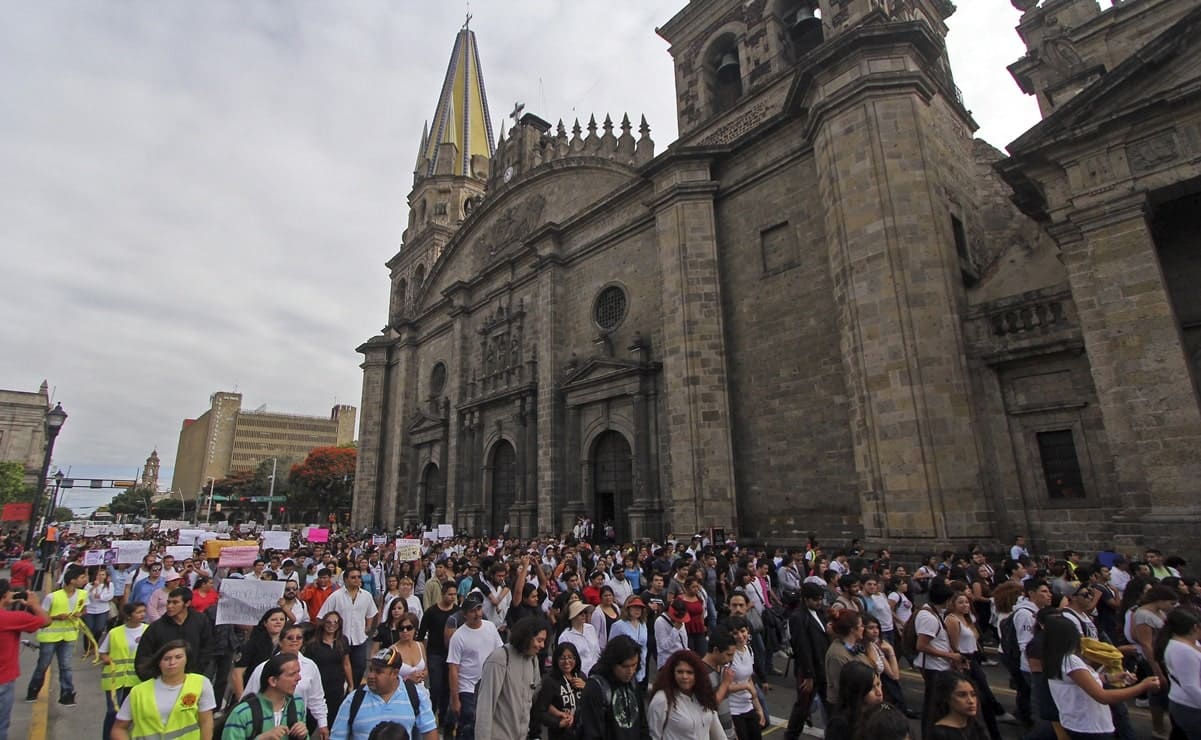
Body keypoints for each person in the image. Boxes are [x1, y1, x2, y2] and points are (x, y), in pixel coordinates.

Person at [1044, 614, 1160, 739]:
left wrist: (1112, 677)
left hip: (1076, 723)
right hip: (1090, 727)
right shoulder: (1070, 661)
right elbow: (1103, 697)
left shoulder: (1053, 658)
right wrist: (1143, 686)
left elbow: (1082, 682)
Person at [111, 639, 217, 740]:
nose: (172, 662)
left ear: (187, 659)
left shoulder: (200, 683)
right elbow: (119, 728)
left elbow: (206, 722)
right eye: (166, 658)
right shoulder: (138, 692)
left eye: (178, 657)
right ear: (158, 662)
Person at [241, 624, 330, 740]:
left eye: (299, 637)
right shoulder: (265, 667)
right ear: (280, 641)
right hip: (263, 723)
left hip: (295, 724)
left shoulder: (311, 666)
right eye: (290, 638)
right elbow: (249, 697)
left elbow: (316, 698)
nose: (295, 641)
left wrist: (323, 723)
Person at [328, 647, 439, 740]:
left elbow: (429, 732)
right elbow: (337, 737)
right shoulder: (353, 700)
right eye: (371, 670)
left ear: (395, 673)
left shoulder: (415, 695)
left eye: (378, 672)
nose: (371, 676)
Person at [475, 616, 549, 740]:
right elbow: (485, 707)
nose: (542, 645)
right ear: (527, 637)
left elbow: (535, 696)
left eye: (544, 641)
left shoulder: (533, 660)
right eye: (539, 640)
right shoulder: (500, 658)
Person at [25, 563, 88, 705]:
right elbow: (41, 615)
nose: (85, 580)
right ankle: (33, 690)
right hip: (50, 636)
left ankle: (67, 694)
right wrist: (56, 617)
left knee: (66, 666)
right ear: (72, 580)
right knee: (43, 665)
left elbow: (84, 609)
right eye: (82, 577)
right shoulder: (52, 597)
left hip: (70, 635)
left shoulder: (83, 594)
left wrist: (81, 613)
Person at [447, 591, 503, 740]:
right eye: (472, 611)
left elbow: (500, 653)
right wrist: (455, 699)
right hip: (467, 688)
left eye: (478, 609)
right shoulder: (458, 636)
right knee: (469, 723)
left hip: (489, 685)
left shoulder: (490, 627)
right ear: (465, 614)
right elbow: (453, 668)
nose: (477, 614)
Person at [0, 577, 49, 738]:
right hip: (3, 679)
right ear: (6, 595)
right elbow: (45, 620)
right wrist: (34, 604)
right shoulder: (13, 618)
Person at [575, 635, 647, 740]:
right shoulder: (596, 687)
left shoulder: (633, 683)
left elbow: (642, 724)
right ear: (612, 663)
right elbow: (592, 732)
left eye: (634, 665)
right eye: (625, 666)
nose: (630, 671)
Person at [223, 652, 309, 740]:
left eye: (298, 672)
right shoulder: (242, 713)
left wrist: (303, 736)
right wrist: (262, 738)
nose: (299, 678)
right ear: (273, 681)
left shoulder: (297, 704)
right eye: (292, 674)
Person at [135, 586, 214, 681]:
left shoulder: (201, 621)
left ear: (187, 603)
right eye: (168, 602)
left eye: (175, 602)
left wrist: (196, 674)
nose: (169, 606)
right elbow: (143, 657)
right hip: (163, 682)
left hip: (193, 679)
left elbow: (207, 649)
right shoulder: (156, 628)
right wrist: (155, 680)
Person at [318, 566, 378, 687]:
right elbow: (322, 616)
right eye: (353, 577)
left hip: (359, 639)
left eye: (358, 577)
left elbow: (371, 612)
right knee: (341, 668)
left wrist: (368, 626)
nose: (356, 580)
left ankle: (353, 691)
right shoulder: (335, 596)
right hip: (340, 640)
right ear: (345, 579)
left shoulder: (366, 596)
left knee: (360, 667)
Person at [785, 582, 830, 740]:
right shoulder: (798, 617)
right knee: (802, 708)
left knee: (829, 703)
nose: (819, 602)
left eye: (820, 599)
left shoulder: (819, 613)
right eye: (816, 599)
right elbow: (802, 647)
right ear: (805, 599)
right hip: (809, 670)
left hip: (822, 666)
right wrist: (809, 675)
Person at [648, 650, 725, 740]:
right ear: (672, 673)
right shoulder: (662, 699)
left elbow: (718, 732)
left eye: (689, 672)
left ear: (697, 674)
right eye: (680, 672)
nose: (684, 676)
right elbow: (653, 736)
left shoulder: (704, 695)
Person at [101, 601, 150, 740]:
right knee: (113, 712)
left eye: (143, 612)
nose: (142, 615)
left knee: (135, 712)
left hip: (137, 678)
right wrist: (106, 659)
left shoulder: (148, 630)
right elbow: (103, 652)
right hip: (115, 678)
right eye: (138, 612)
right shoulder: (114, 633)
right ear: (129, 615)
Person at [1156, 608, 1201, 740]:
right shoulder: (1182, 650)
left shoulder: (1192, 643)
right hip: (1191, 707)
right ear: (1194, 627)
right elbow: (1190, 686)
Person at [418, 580, 458, 723]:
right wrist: (423, 657)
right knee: (435, 687)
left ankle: (442, 717)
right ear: (442, 594)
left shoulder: (458, 612)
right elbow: (421, 636)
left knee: (447, 687)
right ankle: (431, 712)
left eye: (454, 594)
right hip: (434, 653)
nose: (452, 597)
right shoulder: (431, 612)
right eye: (449, 594)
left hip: (451, 655)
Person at [304, 612, 354, 721]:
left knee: (333, 716)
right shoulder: (313, 644)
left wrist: (351, 684)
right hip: (317, 685)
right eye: (328, 622)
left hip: (336, 685)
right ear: (323, 623)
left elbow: (346, 663)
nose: (332, 625)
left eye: (335, 622)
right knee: (311, 718)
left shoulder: (343, 641)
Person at [534, 642, 586, 740]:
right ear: (556, 660)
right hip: (560, 735)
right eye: (562, 658)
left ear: (576, 659)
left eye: (570, 657)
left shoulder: (581, 676)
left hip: (581, 732)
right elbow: (541, 711)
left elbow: (592, 703)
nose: (567, 661)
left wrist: (586, 688)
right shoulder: (550, 681)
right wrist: (558, 723)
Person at [232, 607, 289, 697]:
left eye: (282, 619)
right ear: (265, 623)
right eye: (274, 619)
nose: (278, 622)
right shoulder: (252, 644)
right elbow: (237, 674)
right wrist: (241, 699)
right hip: (252, 694)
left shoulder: (287, 646)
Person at [823, 661, 884, 740]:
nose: (879, 692)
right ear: (857, 691)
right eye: (871, 688)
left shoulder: (880, 712)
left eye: (878, 684)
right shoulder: (840, 724)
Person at [824, 610, 874, 706]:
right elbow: (841, 688)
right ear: (852, 630)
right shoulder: (837, 655)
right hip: (846, 708)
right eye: (861, 626)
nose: (863, 629)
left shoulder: (855, 647)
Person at [928, 672, 989, 740]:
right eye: (962, 695)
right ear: (946, 698)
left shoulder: (974, 726)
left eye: (973, 694)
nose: (971, 701)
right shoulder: (939, 734)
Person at [608, 597, 649, 688]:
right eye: (634, 607)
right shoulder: (618, 625)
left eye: (640, 608)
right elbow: (611, 647)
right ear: (628, 608)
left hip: (640, 666)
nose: (637, 610)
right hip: (624, 666)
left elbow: (644, 646)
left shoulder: (643, 624)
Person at [559, 600, 602, 676]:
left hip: (597, 672)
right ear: (572, 617)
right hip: (580, 675)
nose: (583, 615)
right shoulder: (565, 636)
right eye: (580, 613)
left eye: (584, 612)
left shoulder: (591, 628)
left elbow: (597, 651)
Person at [83, 566, 115, 657]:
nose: (101, 576)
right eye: (99, 574)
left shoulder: (110, 585)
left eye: (103, 574)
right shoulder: (89, 585)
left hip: (103, 610)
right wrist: (94, 587)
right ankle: (87, 648)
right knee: (89, 629)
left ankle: (95, 644)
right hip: (90, 610)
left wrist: (100, 597)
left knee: (99, 628)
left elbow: (110, 596)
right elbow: (85, 596)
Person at [655, 599, 691, 666]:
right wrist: (675, 630)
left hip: (682, 659)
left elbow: (684, 640)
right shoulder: (659, 622)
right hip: (667, 662)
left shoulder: (681, 619)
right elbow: (663, 646)